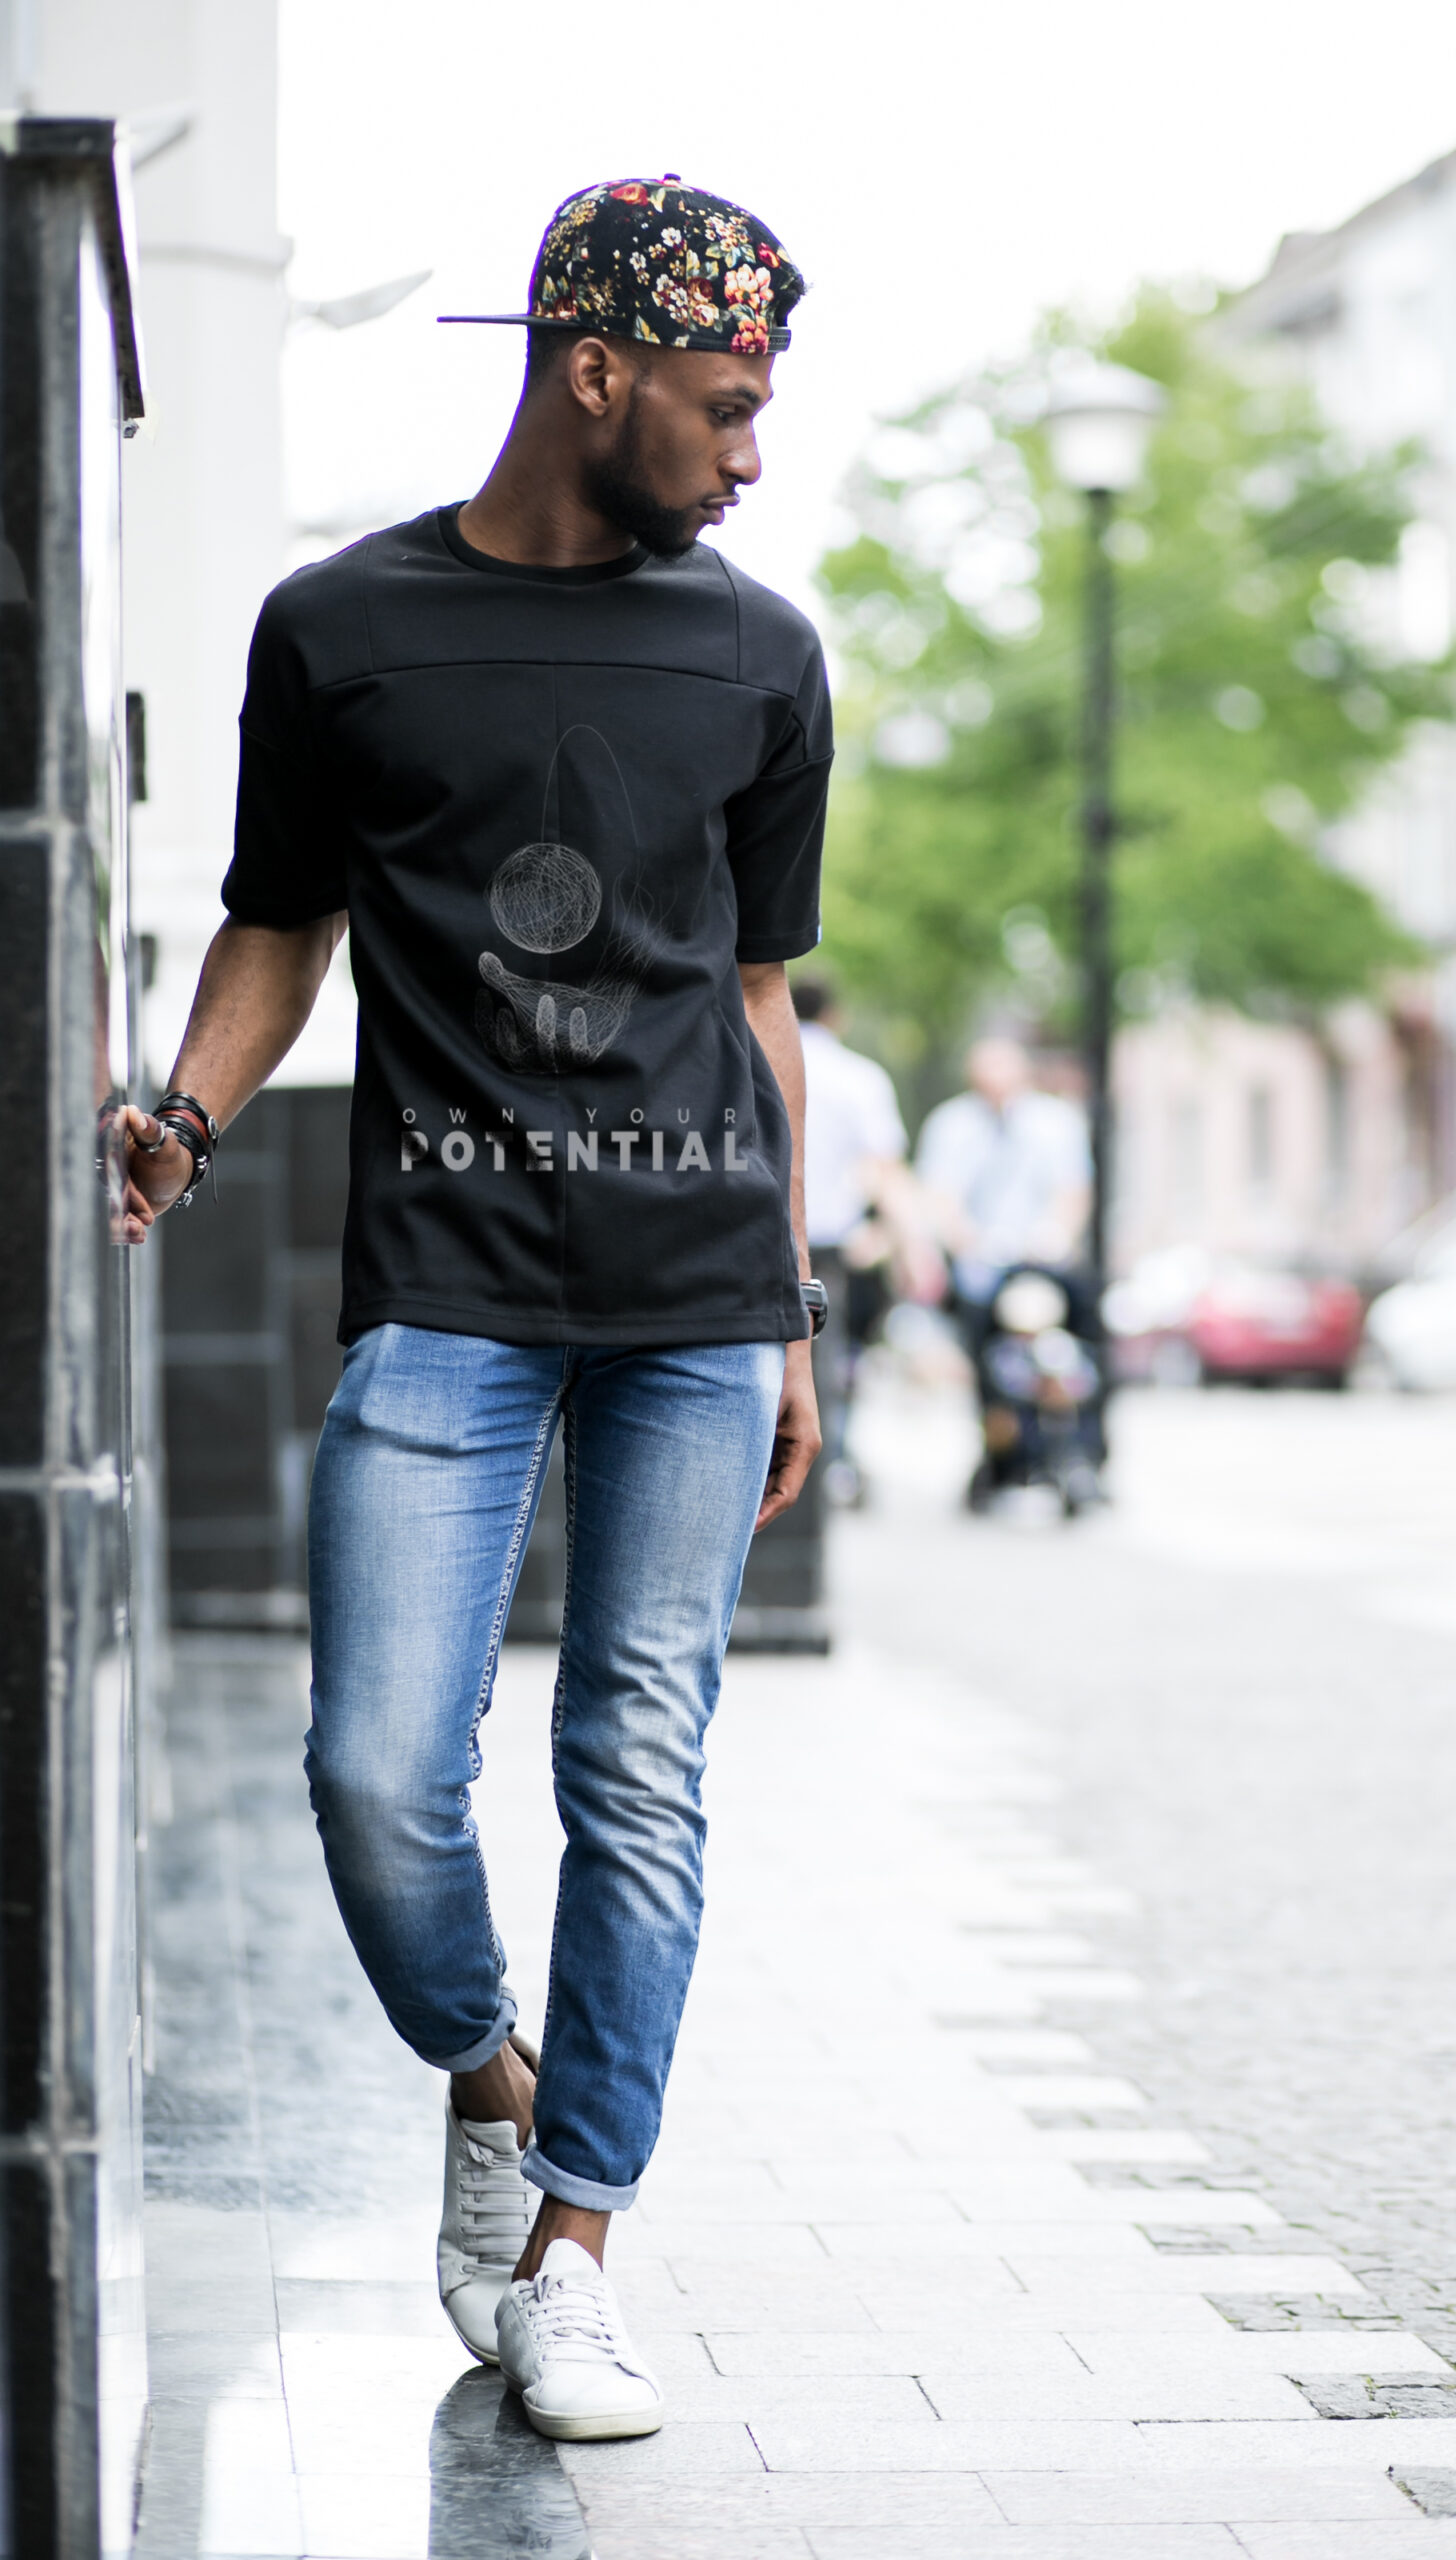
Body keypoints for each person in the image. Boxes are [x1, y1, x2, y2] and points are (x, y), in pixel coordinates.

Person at [120, 177, 829, 2447]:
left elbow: (758, 997)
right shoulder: (342, 628)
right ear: (592, 370)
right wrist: (188, 1112)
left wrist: (792, 1307)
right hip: (443, 1278)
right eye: (724, 403)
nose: (750, 454)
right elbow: (276, 920)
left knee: (636, 1763)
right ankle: (493, 2078)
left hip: (696, 1295)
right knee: (372, 1772)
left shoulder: (760, 655)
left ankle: (574, 2257)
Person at [793, 976, 940, 1500]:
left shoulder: (745, 1058)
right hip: (828, 1248)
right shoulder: (859, 1077)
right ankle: (824, 1475)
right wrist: (912, 1249)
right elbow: (885, 1172)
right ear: (835, 1016)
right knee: (825, 1365)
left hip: (755, 1239)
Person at [917, 1035, 1091, 1332]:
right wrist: (968, 1240)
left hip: (1043, 1264)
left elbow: (1073, 1191)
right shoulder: (950, 1124)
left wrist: (1054, 1237)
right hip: (978, 1267)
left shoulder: (1057, 1122)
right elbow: (940, 1195)